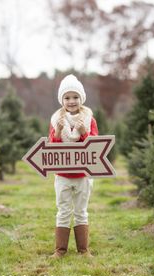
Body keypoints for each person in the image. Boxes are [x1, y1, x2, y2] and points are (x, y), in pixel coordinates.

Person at [49, 74, 99, 258]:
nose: (71, 101)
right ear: (62, 100)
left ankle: (83, 250)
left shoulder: (89, 119)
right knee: (63, 210)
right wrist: (59, 130)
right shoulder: (56, 120)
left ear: (81, 98)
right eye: (67, 97)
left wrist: (84, 132)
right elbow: (51, 148)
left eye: (75, 97)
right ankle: (60, 250)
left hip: (83, 175)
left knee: (81, 211)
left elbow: (96, 147)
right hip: (62, 175)